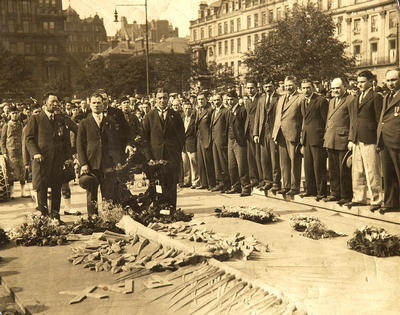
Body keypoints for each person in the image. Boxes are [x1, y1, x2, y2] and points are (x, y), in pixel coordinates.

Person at [25, 92, 76, 222]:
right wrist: (35, 153)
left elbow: (66, 141)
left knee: (56, 189)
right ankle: (44, 218)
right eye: (52, 101)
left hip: (57, 161)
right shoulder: (36, 118)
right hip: (42, 160)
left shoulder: (60, 119)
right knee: (41, 189)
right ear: (45, 103)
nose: (55, 104)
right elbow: (29, 139)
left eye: (57, 102)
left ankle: (55, 217)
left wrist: (68, 157)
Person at [77, 93, 124, 218]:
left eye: (99, 102)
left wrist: (118, 161)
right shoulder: (84, 123)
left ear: (103, 104)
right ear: (89, 104)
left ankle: (108, 217)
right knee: (91, 193)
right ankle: (93, 218)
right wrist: (83, 163)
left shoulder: (110, 122)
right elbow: (80, 145)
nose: (96, 105)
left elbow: (116, 143)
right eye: (94, 102)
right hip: (91, 162)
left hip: (108, 162)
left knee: (108, 192)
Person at [142, 91, 185, 210]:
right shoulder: (149, 116)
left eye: (164, 98)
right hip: (156, 157)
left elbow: (181, 136)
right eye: (159, 98)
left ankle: (171, 210)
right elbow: (144, 139)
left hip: (172, 156)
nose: (162, 100)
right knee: (157, 185)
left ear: (168, 99)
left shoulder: (175, 115)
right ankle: (159, 210)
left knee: (171, 184)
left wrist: (176, 151)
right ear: (155, 99)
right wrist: (149, 157)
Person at [347, 70, 383, 211]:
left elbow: (379, 120)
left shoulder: (376, 97)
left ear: (370, 82)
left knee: (372, 170)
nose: (360, 85)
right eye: (358, 82)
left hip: (370, 139)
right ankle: (359, 198)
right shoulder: (356, 98)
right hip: (356, 139)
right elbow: (353, 120)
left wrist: (379, 140)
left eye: (363, 82)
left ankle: (376, 199)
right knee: (357, 171)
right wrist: (351, 138)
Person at [323, 77, 353, 205]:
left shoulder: (350, 100)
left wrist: (351, 139)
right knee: (333, 169)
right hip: (331, 138)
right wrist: (326, 135)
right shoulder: (331, 101)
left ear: (344, 87)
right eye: (333, 88)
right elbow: (328, 120)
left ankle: (346, 195)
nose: (335, 90)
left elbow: (353, 121)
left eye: (338, 88)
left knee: (343, 169)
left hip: (343, 138)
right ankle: (335, 193)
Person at [272, 75, 303, 196]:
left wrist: (301, 135)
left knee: (294, 161)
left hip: (293, 133)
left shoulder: (300, 98)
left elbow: (303, 118)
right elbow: (278, 117)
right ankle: (286, 185)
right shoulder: (281, 98)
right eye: (286, 85)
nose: (288, 87)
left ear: (295, 85)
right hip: (280, 134)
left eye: (290, 85)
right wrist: (275, 134)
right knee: (283, 162)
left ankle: (295, 187)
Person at [299, 79, 329, 201]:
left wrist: (323, 137)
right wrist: (302, 137)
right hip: (306, 138)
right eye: (304, 88)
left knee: (319, 166)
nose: (306, 90)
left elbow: (325, 120)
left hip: (317, 138)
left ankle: (321, 191)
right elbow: (304, 121)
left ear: (313, 88)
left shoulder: (321, 101)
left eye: (308, 87)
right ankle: (310, 190)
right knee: (308, 166)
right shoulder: (303, 102)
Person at [377, 68, 400, 214]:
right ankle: (391, 202)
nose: (391, 83)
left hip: (397, 140)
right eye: (388, 80)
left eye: (394, 80)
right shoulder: (386, 96)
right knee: (388, 174)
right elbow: (383, 119)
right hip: (385, 140)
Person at [253, 81, 281, 192]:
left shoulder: (278, 98)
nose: (268, 88)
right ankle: (267, 180)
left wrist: (278, 133)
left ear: (273, 86)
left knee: (274, 158)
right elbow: (257, 117)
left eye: (270, 86)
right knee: (264, 158)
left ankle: (276, 182)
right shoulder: (261, 99)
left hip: (273, 132)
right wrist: (256, 133)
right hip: (263, 132)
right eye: (266, 87)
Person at [226, 90, 251, 196]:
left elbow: (246, 126)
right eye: (228, 100)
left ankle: (245, 187)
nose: (230, 102)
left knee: (242, 165)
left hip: (239, 141)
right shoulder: (229, 111)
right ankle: (235, 186)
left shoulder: (242, 110)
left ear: (236, 99)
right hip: (230, 140)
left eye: (231, 99)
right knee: (232, 166)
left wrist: (243, 139)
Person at [1, 106, 28, 198]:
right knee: (11, 172)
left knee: (22, 171)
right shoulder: (6, 125)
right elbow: (2, 140)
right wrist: (4, 152)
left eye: (16, 113)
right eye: (13, 113)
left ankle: (23, 191)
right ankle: (12, 193)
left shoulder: (21, 125)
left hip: (21, 151)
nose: (15, 115)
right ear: (9, 114)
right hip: (10, 152)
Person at [210, 94, 230, 192]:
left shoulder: (225, 111)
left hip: (222, 141)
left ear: (221, 100)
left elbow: (227, 127)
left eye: (218, 100)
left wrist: (225, 140)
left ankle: (226, 184)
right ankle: (219, 182)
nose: (216, 102)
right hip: (214, 140)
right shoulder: (214, 111)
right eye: (214, 100)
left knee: (223, 163)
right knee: (217, 162)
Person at [195, 92, 216, 190]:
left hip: (207, 139)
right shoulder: (198, 110)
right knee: (201, 162)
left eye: (202, 99)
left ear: (206, 100)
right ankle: (204, 183)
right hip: (199, 138)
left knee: (208, 162)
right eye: (199, 99)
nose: (200, 101)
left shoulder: (210, 110)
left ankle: (211, 183)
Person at [245, 82, 262, 187]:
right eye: (248, 88)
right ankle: (254, 179)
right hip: (248, 131)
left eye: (252, 88)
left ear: (256, 88)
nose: (250, 90)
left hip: (257, 131)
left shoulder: (260, 99)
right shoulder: (247, 101)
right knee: (250, 157)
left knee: (258, 156)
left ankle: (261, 179)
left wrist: (257, 132)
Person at [181, 102, 200, 188]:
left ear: (192, 109)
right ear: (183, 109)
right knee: (185, 164)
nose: (187, 110)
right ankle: (187, 181)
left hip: (192, 144)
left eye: (189, 108)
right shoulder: (182, 118)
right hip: (183, 145)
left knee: (194, 164)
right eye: (186, 109)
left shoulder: (195, 119)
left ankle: (195, 182)